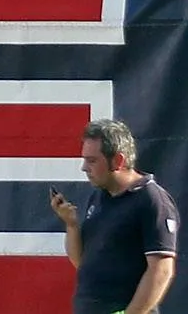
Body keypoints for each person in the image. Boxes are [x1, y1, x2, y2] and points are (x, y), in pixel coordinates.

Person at [56, 118, 179, 314]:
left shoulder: (152, 200)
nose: (84, 168)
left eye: (92, 160)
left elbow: (162, 270)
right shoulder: (99, 196)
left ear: (118, 161)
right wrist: (71, 225)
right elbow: (82, 261)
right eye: (84, 159)